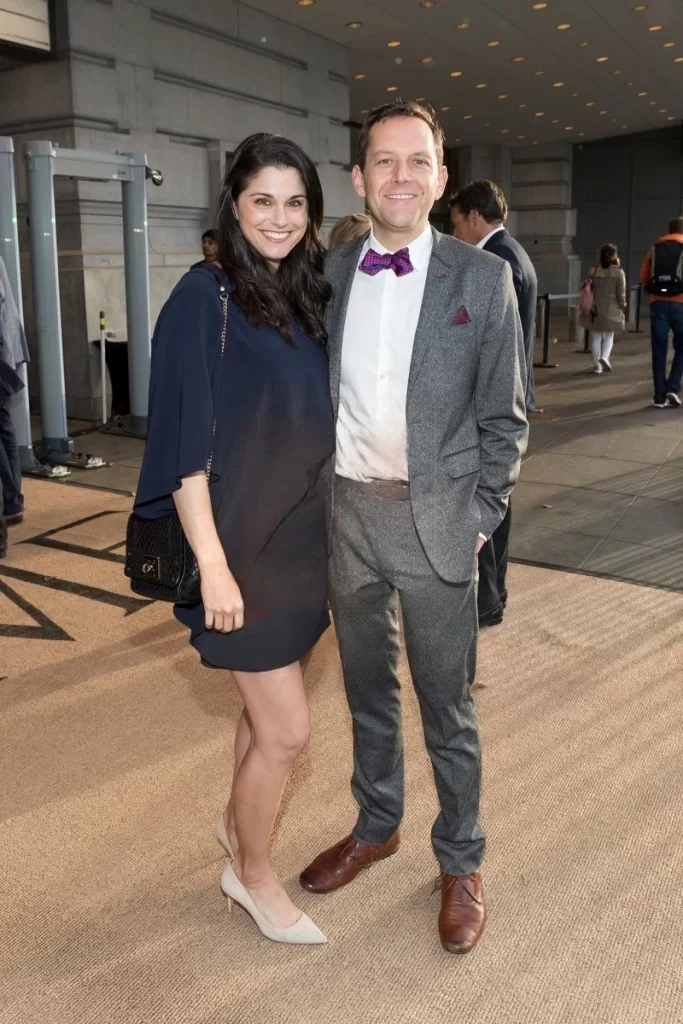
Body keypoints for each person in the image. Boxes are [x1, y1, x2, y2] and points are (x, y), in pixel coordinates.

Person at [300, 102, 528, 955]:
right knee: (366, 690)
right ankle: (377, 823)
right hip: (347, 515)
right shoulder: (324, 274)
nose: (401, 176)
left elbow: (505, 419)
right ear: (359, 178)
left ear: (439, 177)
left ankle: (461, 859)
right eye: (383, 162)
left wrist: (478, 519)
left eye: (419, 161)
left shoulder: (481, 280)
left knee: (446, 701)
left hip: (439, 521)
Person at [135, 134, 335, 946]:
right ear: (234, 205)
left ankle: (235, 829)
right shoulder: (203, 296)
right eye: (263, 201)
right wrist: (213, 569)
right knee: (288, 731)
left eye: (295, 204)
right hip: (236, 553)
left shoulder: (301, 297)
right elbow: (183, 452)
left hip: (299, 547)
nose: (280, 219)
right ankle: (250, 874)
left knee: (262, 722)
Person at [449, 180, 537, 627]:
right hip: (507, 394)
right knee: (498, 500)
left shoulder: (495, 258)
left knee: (487, 500)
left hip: (494, 400)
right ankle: (493, 596)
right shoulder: (514, 250)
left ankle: (487, 600)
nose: (456, 231)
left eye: (457, 221)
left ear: (473, 215)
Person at [640, 216, 683, 408]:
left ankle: (659, 397)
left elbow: (643, 277)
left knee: (659, 350)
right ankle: (673, 387)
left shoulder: (655, 248)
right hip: (681, 304)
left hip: (657, 303)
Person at [0, 255, 29, 537]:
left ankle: (10, 501)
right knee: (5, 429)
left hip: (1, 355)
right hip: (5, 356)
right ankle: (12, 500)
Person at [579, 243, 627, 375]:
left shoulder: (593, 271)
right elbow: (621, 293)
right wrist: (623, 304)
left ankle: (597, 366)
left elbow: (588, 289)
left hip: (595, 308)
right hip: (612, 307)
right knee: (609, 336)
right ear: (614, 256)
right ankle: (605, 357)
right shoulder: (619, 272)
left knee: (595, 337)